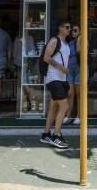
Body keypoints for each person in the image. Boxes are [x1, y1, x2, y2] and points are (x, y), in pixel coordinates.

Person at [39, 20, 71, 149]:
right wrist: (61, 68)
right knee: (64, 106)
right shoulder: (54, 40)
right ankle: (56, 136)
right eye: (67, 27)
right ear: (60, 28)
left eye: (70, 27)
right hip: (53, 78)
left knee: (53, 108)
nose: (69, 29)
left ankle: (46, 134)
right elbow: (46, 57)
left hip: (61, 79)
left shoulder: (66, 44)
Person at [64, 24, 82, 125]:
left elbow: (80, 51)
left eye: (75, 30)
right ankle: (68, 115)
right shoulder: (69, 42)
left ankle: (78, 116)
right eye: (72, 31)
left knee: (79, 94)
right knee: (70, 94)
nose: (73, 32)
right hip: (70, 69)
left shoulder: (82, 41)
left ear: (80, 31)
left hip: (79, 68)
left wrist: (80, 38)